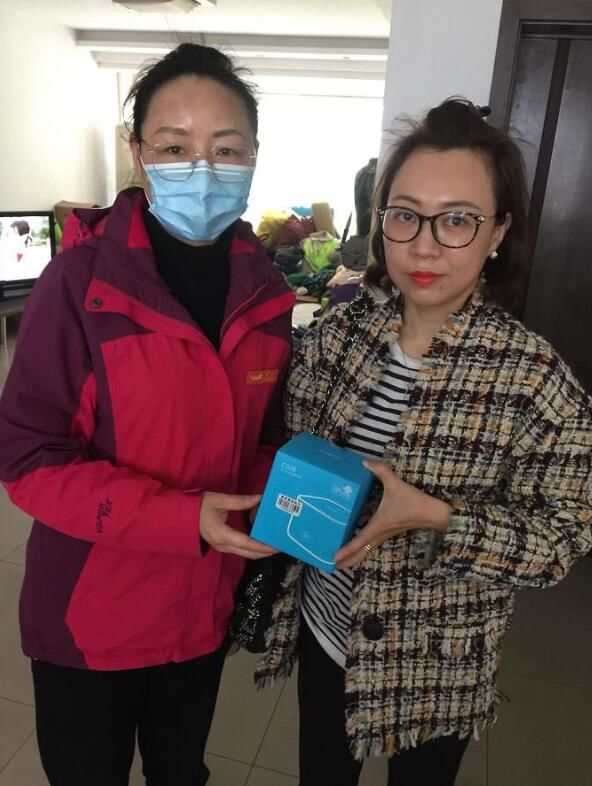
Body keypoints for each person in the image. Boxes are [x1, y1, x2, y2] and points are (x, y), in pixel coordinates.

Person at [255, 99, 592, 786]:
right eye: (404, 215)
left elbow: (562, 542)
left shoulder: (534, 378)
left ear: (498, 232)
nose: (424, 245)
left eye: (458, 220)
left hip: (440, 662)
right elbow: (292, 452)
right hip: (324, 625)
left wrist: (438, 517)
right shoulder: (338, 337)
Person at [0, 43, 293, 786]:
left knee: (180, 771)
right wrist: (182, 517)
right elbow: (27, 460)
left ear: (254, 158)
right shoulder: (78, 286)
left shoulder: (267, 296)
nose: (203, 169)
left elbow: (262, 438)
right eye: (174, 146)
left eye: (227, 149)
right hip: (92, 619)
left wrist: (282, 499)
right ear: (139, 155)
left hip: (201, 611)